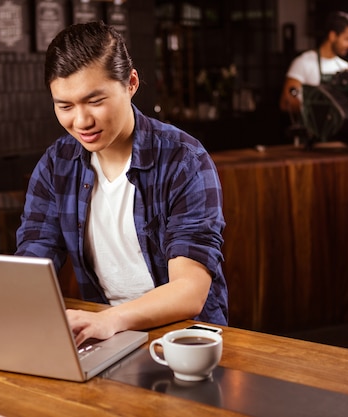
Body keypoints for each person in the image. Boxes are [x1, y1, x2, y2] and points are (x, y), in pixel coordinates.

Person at [15, 21, 228, 346]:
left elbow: (190, 292)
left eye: (95, 101)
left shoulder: (184, 160)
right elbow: (32, 263)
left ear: (130, 83)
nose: (82, 121)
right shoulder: (57, 165)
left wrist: (109, 320)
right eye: (65, 106)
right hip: (104, 338)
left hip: (186, 341)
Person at [279, 11, 348, 114]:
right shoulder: (303, 63)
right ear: (332, 36)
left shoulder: (345, 67)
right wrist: (319, 109)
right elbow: (286, 103)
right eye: (347, 39)